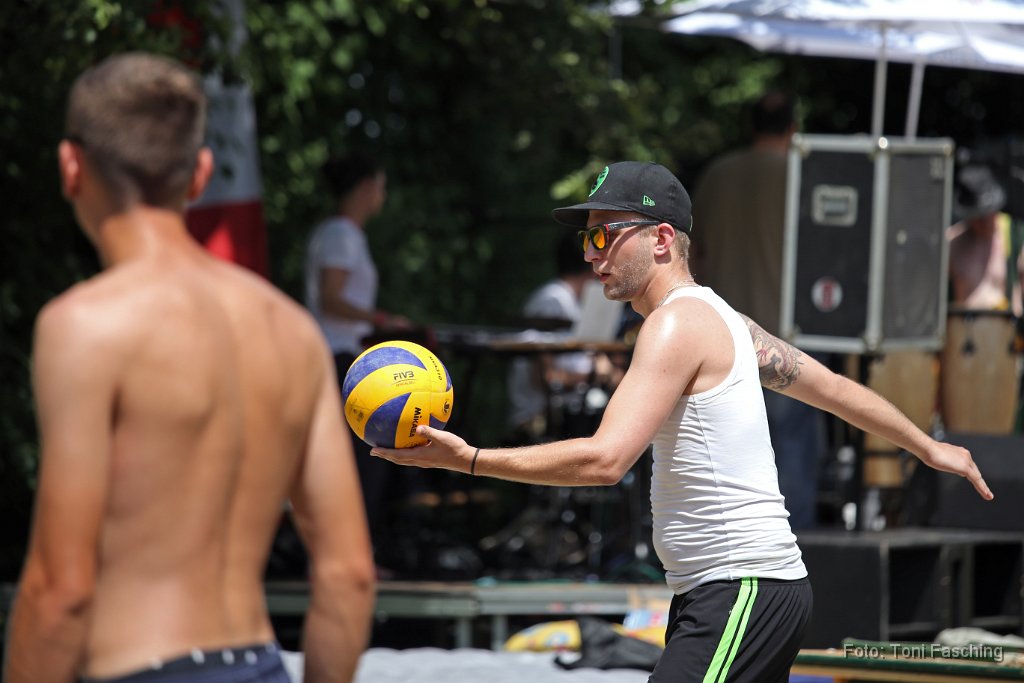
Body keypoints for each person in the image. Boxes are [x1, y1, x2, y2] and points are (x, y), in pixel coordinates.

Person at [371, 161, 993, 682]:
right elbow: (830, 388)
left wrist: (470, 460)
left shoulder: (676, 323)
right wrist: (926, 445)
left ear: (662, 239)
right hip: (736, 591)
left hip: (740, 588)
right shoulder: (720, 319)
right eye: (586, 241)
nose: (591, 255)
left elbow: (605, 460)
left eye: (604, 235)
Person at [4, 53, 376, 683]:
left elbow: (60, 590)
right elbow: (349, 574)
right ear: (200, 173)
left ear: (71, 166)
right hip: (259, 664)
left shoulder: (87, 326)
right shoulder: (291, 331)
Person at [691, 90, 825, 529]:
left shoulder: (716, 175)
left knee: (728, 450)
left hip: (722, 335)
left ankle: (732, 536)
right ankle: (794, 544)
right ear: (793, 128)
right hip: (789, 335)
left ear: (750, 127)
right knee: (792, 447)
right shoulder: (803, 175)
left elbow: (695, 254)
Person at [304, 151, 411, 571]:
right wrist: (382, 320)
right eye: (381, 187)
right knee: (362, 457)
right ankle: (350, 558)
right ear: (366, 187)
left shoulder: (335, 232)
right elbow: (332, 299)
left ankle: (346, 556)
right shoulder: (342, 234)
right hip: (338, 357)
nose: (382, 195)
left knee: (353, 457)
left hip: (335, 356)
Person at [507, 230, 623, 441]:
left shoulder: (570, 301)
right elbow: (545, 377)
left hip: (570, 413)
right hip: (541, 419)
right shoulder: (552, 300)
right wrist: (595, 375)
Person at [947, 164, 1024, 316]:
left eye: (987, 214)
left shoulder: (1014, 234)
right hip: (963, 326)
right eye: (978, 217)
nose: (984, 222)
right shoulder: (952, 241)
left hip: (1003, 325)